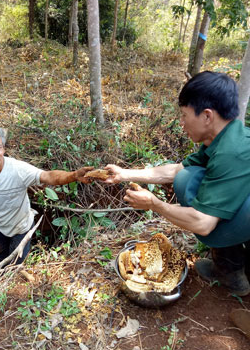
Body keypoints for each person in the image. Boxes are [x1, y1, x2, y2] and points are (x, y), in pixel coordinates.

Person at [105, 71, 250, 297]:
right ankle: (230, 268)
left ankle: (234, 267)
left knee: (209, 210)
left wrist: (155, 204)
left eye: (184, 115)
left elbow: (203, 223)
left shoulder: (233, 152)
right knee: (188, 177)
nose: (181, 124)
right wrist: (123, 173)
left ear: (207, 116)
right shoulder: (223, 138)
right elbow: (176, 170)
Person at [0, 125, 93, 264]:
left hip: (21, 228)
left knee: (15, 266)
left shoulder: (18, 170)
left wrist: (73, 175)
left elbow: (48, 176)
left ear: (4, 148)